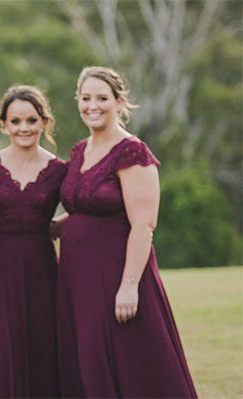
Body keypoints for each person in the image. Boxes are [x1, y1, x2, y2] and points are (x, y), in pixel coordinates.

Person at [55, 66, 197, 397]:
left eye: (102, 98)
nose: (93, 106)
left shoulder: (132, 152)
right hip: (76, 277)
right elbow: (82, 209)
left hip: (117, 273)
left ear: (119, 102)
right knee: (86, 358)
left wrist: (129, 286)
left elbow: (144, 224)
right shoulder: (79, 151)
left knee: (129, 360)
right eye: (86, 98)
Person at [0, 85, 65, 397]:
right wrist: (4, 221)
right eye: (15, 121)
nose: (23, 128)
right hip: (0, 271)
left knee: (43, 344)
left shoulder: (60, 170)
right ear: (4, 124)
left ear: (44, 122)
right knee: (1, 344)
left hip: (43, 271)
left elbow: (83, 210)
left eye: (31, 120)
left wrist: (50, 227)